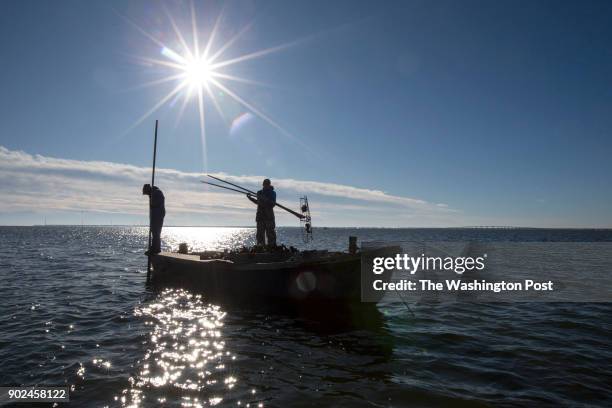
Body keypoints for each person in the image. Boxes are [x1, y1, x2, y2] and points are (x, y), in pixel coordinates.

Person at [247, 178, 277, 247]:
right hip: (260, 217)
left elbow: (272, 204)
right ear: (263, 185)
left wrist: (265, 199)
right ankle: (260, 248)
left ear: (269, 185)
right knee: (260, 234)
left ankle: (272, 248)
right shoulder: (259, 193)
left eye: (267, 184)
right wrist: (250, 198)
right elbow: (258, 202)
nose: (266, 185)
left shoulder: (272, 193)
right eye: (265, 184)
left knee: (271, 234)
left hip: (269, 217)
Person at [142, 184, 165, 255]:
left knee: (156, 232)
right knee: (154, 232)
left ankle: (156, 249)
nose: (147, 194)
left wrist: (153, 204)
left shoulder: (157, 192)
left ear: (148, 189)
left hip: (158, 215)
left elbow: (159, 202)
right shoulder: (152, 193)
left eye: (146, 193)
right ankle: (154, 248)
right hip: (155, 215)